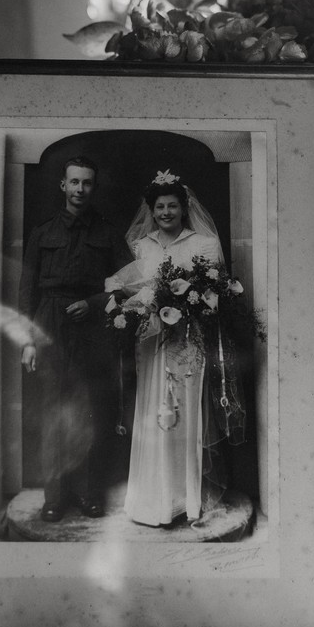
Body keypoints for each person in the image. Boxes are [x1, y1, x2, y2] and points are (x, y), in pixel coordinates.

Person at [110, 170, 246, 528]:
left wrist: (191, 303)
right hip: (153, 341)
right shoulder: (142, 245)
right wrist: (144, 304)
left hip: (189, 340)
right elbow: (135, 289)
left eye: (172, 206)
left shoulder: (203, 243)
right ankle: (153, 498)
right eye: (160, 207)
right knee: (153, 411)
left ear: (184, 209)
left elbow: (216, 293)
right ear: (151, 211)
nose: (166, 212)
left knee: (184, 414)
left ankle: (187, 499)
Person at [18, 155, 130, 522]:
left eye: (87, 183)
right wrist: (28, 340)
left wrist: (95, 303)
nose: (80, 189)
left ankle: (86, 493)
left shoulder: (107, 232)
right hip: (49, 322)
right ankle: (54, 496)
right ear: (63, 186)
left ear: (93, 187)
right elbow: (26, 290)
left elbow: (125, 285)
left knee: (87, 410)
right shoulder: (42, 232)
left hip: (91, 326)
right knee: (53, 410)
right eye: (74, 182)